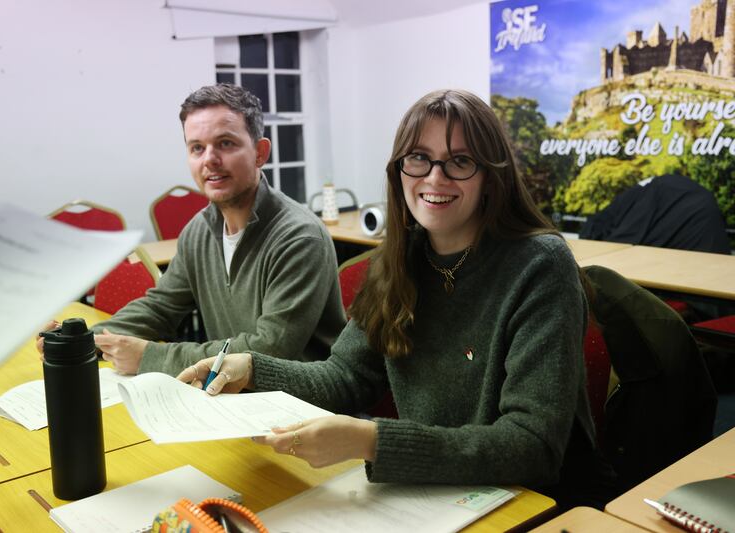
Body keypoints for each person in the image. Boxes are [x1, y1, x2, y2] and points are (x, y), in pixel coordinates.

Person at [179, 89, 614, 509]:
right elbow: (346, 376)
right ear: (399, 170)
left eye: (460, 161)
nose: (435, 178)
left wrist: (372, 441)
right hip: (436, 495)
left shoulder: (539, 265)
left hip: (537, 503)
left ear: (490, 175)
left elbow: (532, 446)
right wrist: (253, 368)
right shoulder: (398, 260)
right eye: (419, 158)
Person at [40, 84, 346, 375]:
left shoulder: (299, 237)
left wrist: (150, 357)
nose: (210, 160)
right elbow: (161, 307)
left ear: (260, 153)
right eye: (197, 148)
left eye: (225, 143)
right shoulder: (198, 231)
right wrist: (81, 340)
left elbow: (270, 349)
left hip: (298, 404)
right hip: (227, 391)